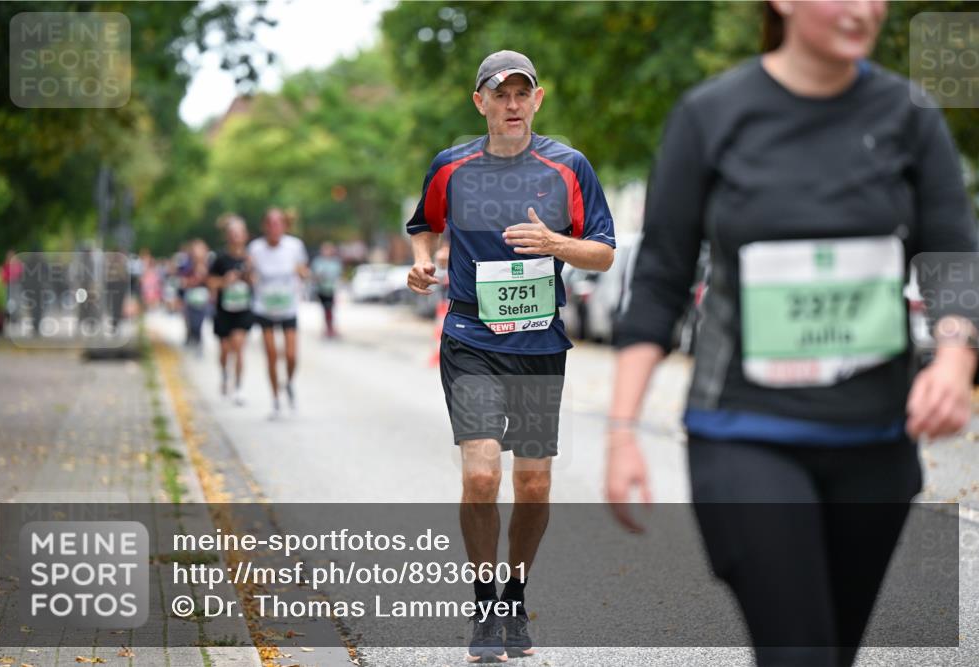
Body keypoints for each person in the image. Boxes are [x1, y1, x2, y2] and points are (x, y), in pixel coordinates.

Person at [606, 3, 978, 667]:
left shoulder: (909, 115)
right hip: (745, 432)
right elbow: (659, 280)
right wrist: (622, 429)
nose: (863, 9)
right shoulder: (711, 116)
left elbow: (953, 254)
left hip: (875, 445)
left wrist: (953, 358)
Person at [406, 50, 616, 663]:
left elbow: (603, 253)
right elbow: (426, 223)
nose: (512, 104)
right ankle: (485, 603)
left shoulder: (569, 167)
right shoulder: (452, 166)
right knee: (480, 474)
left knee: (531, 482)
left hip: (539, 343)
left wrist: (555, 243)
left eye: (522, 93)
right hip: (470, 337)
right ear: (481, 102)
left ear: (538, 99)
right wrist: (423, 260)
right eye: (500, 94)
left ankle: (515, 594)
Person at [249, 208, 309, 419]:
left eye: (278, 223)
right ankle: (275, 400)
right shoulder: (255, 248)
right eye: (271, 223)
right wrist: (248, 277)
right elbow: (249, 273)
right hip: (264, 306)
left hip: (288, 306)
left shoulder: (294, 246)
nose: (274, 227)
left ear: (284, 225)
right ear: (265, 226)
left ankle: (289, 383)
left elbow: (304, 271)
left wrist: (301, 273)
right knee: (272, 356)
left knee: (291, 355)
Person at [208, 215, 253, 405]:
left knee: (239, 347)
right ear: (227, 236)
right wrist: (225, 281)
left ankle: (239, 387)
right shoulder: (219, 258)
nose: (236, 237)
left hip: (243, 309)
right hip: (224, 310)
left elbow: (256, 282)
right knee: (225, 350)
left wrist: (248, 275)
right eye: (232, 233)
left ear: (245, 235)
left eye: (239, 233)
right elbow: (210, 282)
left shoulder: (251, 258)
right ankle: (225, 374)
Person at [180, 239, 211, 355]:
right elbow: (182, 281)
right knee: (191, 321)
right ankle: (191, 338)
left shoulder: (209, 264)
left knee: (200, 323)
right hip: (191, 298)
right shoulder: (187, 265)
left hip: (203, 299)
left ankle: (199, 342)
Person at [311, 242, 342, 338]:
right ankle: (328, 327)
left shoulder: (335, 262)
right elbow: (314, 275)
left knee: (330, 309)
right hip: (321, 289)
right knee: (325, 309)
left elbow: (337, 275)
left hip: (331, 289)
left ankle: (330, 327)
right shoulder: (318, 262)